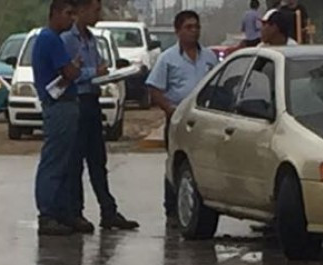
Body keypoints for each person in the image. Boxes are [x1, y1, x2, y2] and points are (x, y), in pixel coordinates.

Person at [62, 0, 139, 231]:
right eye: (95, 10)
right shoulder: (67, 40)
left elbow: (97, 68)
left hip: (93, 101)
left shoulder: (92, 39)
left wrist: (105, 73)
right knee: (75, 161)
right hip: (77, 102)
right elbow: (69, 73)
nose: (98, 14)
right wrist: (93, 72)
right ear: (82, 10)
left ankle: (109, 211)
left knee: (98, 159)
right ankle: (75, 213)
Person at [146, 11, 219, 226]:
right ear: (178, 31)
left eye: (196, 27)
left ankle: (201, 208)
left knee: (201, 164)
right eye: (188, 27)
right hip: (179, 120)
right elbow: (154, 88)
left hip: (204, 121)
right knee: (176, 164)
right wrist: (170, 110)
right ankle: (173, 211)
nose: (194, 31)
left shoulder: (210, 57)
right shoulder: (167, 59)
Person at [32, 0, 84, 236]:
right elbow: (69, 72)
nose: (72, 18)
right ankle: (48, 213)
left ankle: (63, 211)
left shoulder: (51, 39)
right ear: (54, 14)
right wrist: (75, 66)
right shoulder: (50, 39)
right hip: (58, 105)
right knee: (53, 162)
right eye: (68, 13)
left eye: (74, 14)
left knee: (65, 162)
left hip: (64, 104)